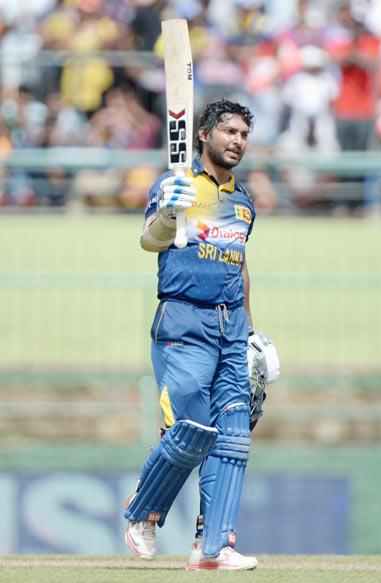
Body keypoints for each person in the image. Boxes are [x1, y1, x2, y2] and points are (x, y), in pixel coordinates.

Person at [124, 99, 274, 570]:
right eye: (229, 132)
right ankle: (143, 513)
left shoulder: (243, 203)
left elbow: (241, 268)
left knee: (233, 437)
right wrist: (171, 215)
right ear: (204, 134)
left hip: (231, 328)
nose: (238, 142)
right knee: (190, 432)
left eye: (244, 135)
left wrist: (251, 332)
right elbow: (149, 239)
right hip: (184, 322)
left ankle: (213, 546)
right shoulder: (175, 184)